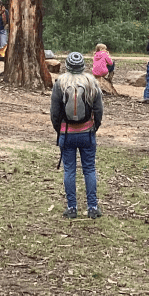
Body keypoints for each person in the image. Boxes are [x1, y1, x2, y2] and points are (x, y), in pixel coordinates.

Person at [49, 52, 104, 219]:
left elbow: (54, 112)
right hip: (87, 133)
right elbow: (99, 109)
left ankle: (72, 207)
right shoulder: (91, 82)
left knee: (69, 170)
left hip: (67, 133)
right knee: (89, 169)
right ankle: (92, 207)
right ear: (82, 66)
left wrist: (59, 129)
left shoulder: (60, 82)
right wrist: (95, 127)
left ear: (67, 65)